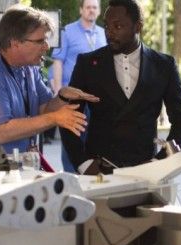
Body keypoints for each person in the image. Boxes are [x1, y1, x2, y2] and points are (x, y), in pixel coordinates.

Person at [60, 0, 181, 175]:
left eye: (118, 26)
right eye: (106, 26)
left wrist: (159, 161)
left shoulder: (164, 65)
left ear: (138, 27)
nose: (109, 32)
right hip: (99, 171)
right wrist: (83, 163)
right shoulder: (87, 64)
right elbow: (68, 119)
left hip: (147, 170)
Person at [0, 6, 99, 154]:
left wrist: (62, 96)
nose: (46, 47)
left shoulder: (29, 67)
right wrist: (54, 118)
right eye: (40, 41)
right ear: (15, 43)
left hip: (17, 165)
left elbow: (44, 109)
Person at [50, 0, 106, 171]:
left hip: (97, 99)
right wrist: (59, 93)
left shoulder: (103, 33)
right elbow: (58, 62)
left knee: (95, 139)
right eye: (88, 7)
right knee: (71, 137)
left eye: (94, 7)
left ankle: (92, 174)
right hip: (72, 97)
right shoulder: (68, 31)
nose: (91, 10)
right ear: (81, 10)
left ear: (99, 11)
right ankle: (71, 175)